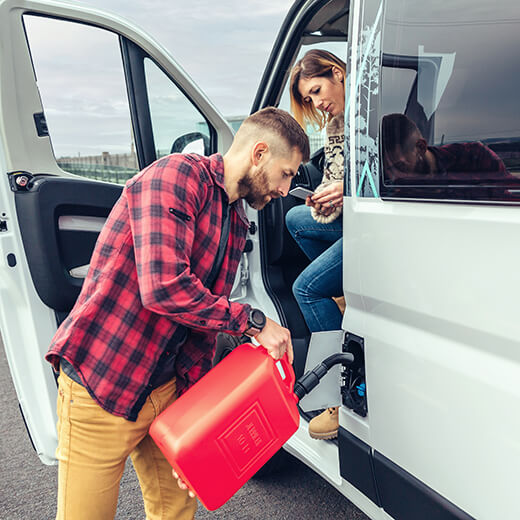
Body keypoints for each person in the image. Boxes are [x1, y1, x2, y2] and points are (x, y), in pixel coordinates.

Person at [45, 107, 310, 520]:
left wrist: (195, 419)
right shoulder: (174, 177)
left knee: (175, 513)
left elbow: (200, 325)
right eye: (287, 173)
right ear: (259, 153)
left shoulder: (237, 221)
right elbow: (166, 289)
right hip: (102, 384)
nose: (286, 188)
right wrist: (253, 322)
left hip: (166, 390)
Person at [285, 49, 346, 440]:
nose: (317, 102)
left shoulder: (372, 117)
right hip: (352, 219)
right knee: (295, 218)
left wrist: (347, 193)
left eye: (318, 89)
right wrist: (324, 196)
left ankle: (341, 397)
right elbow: (337, 179)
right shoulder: (335, 126)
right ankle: (341, 297)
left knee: (306, 288)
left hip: (373, 226)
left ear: (337, 73)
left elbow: (386, 181)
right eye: (309, 98)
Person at [382, 113, 511, 186]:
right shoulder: (392, 189)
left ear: (421, 147)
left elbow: (510, 196)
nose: (394, 176)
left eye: (400, 166)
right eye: (387, 169)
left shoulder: (474, 158)